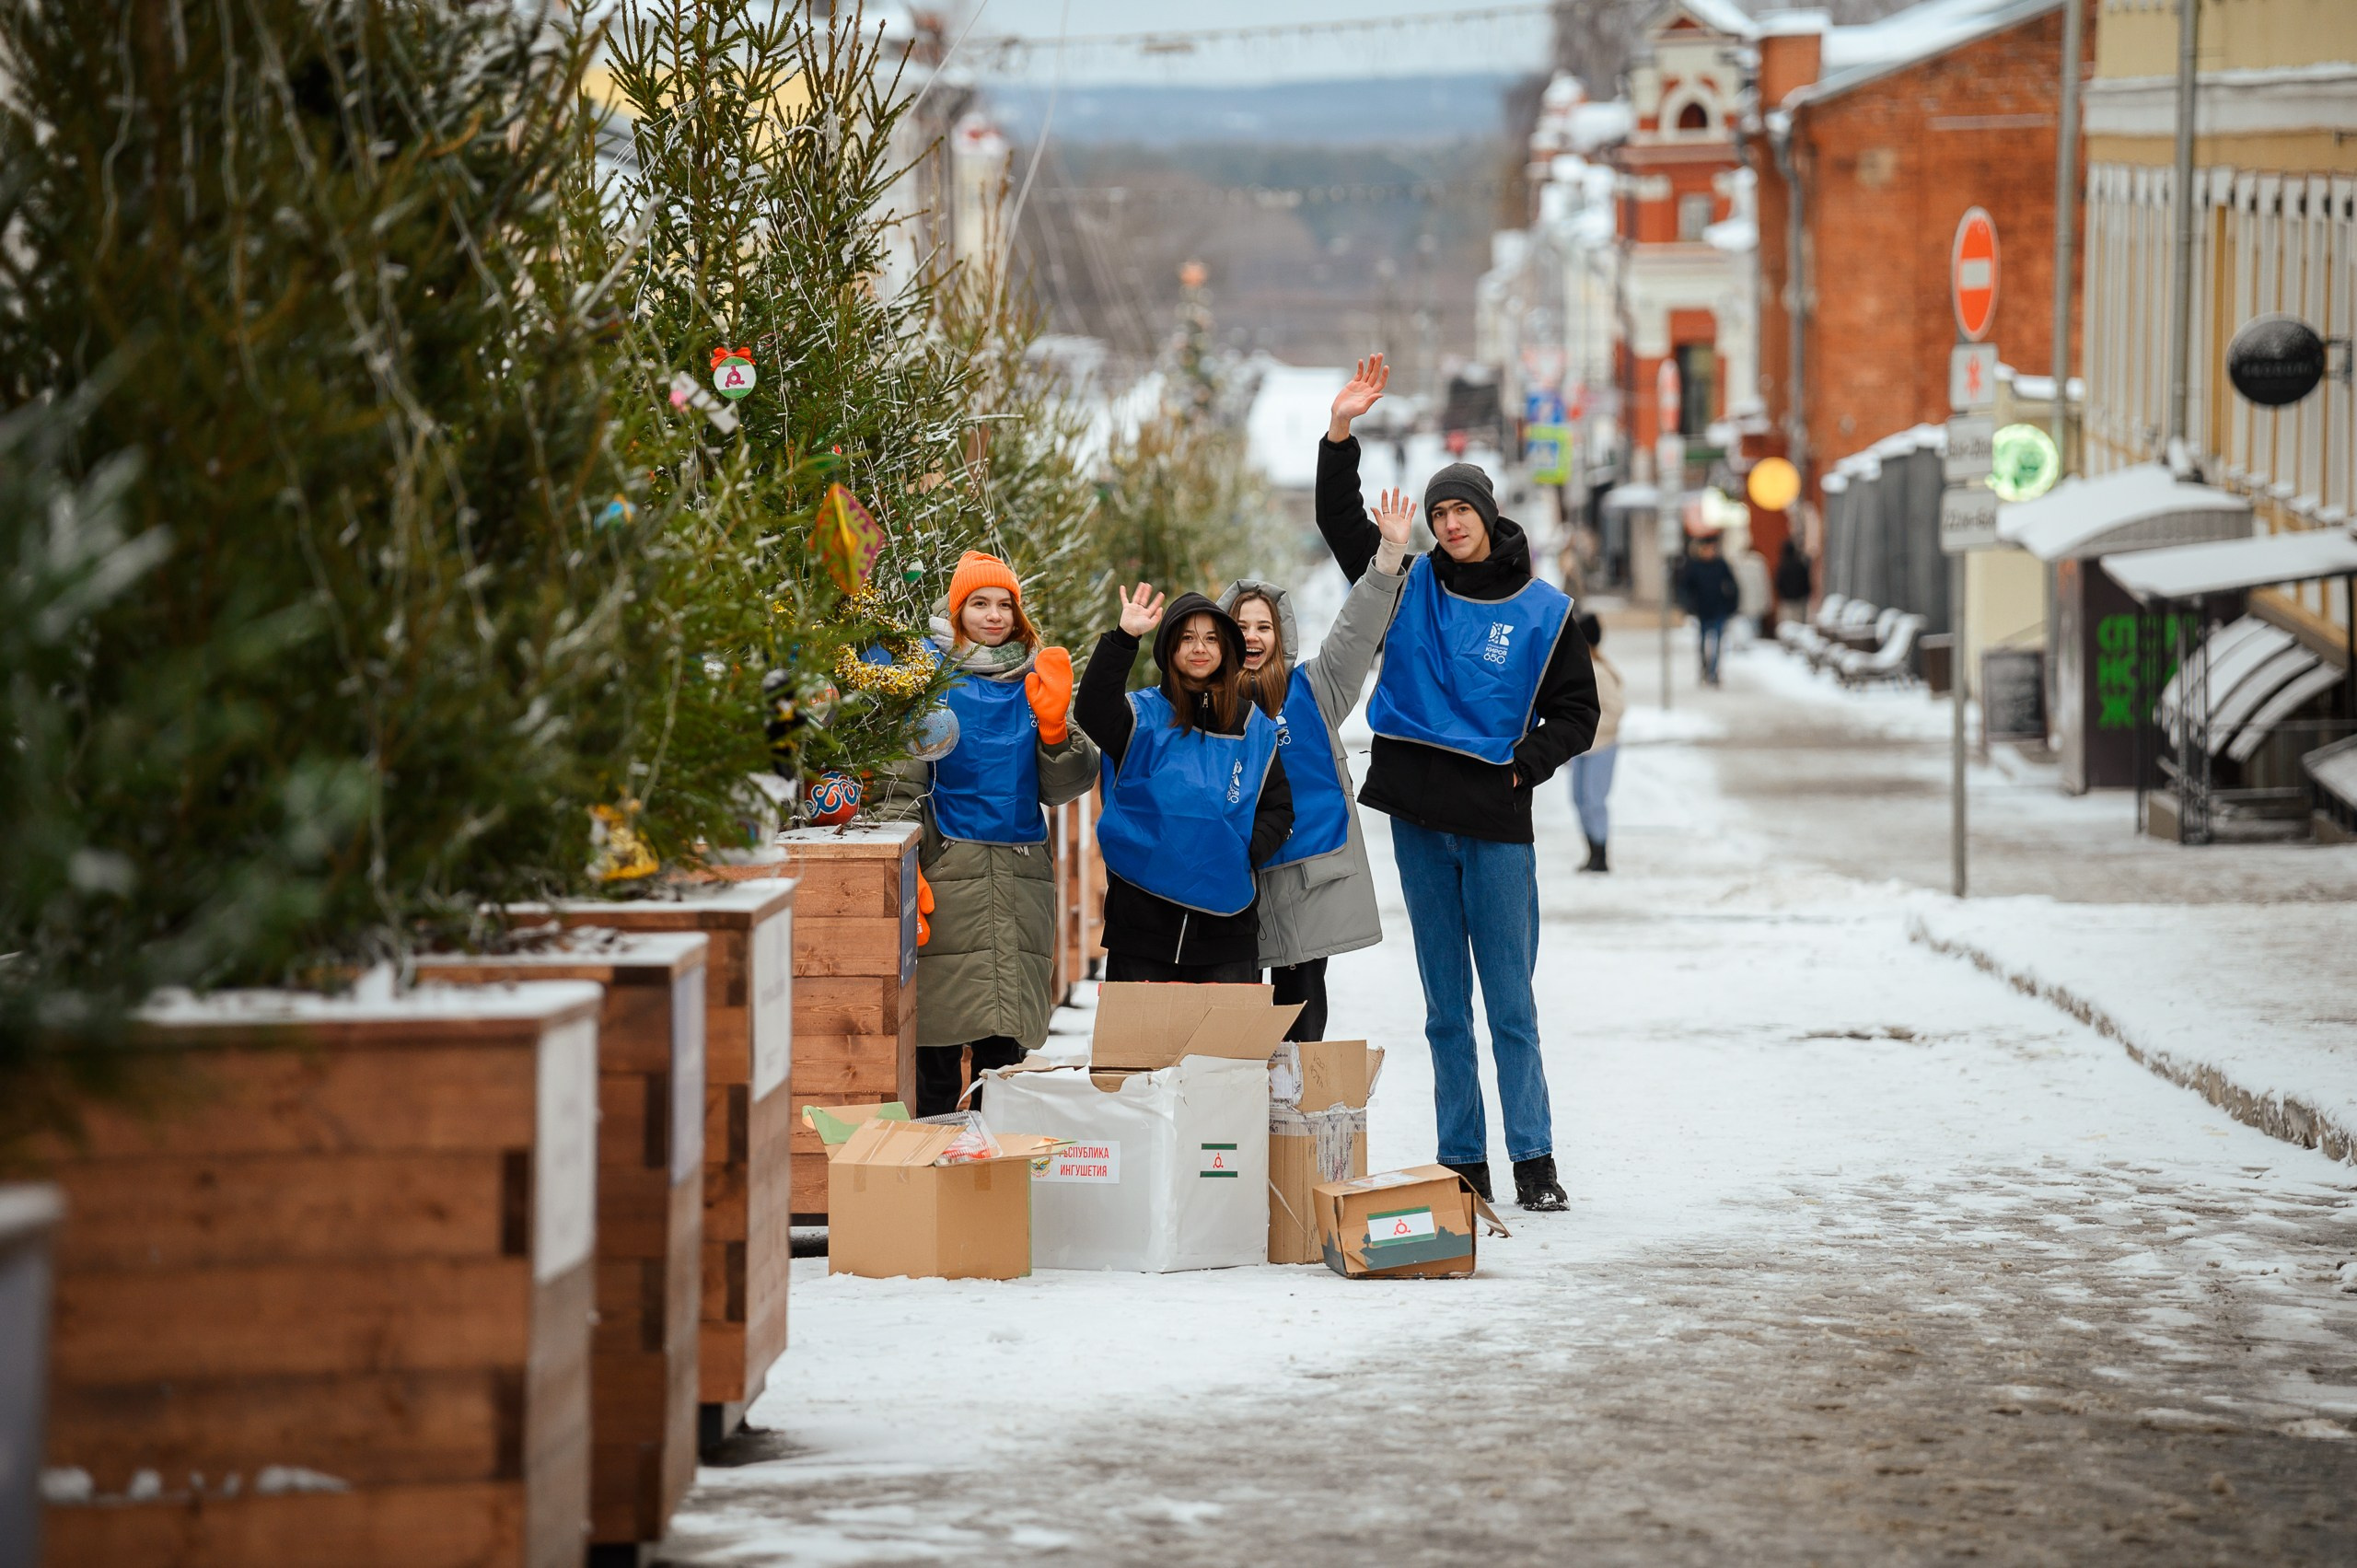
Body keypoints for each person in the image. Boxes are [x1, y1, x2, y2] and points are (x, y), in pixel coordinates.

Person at [1321, 354, 1600, 1213]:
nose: (1447, 524)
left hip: (1495, 816)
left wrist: (1524, 763)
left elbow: (1577, 712)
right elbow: (1340, 523)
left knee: (1510, 1001)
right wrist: (1341, 433)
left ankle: (1535, 1160)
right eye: (1438, 512)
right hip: (1418, 812)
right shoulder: (1402, 581)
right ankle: (1462, 1160)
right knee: (1446, 1004)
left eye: (1459, 511)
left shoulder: (1544, 610)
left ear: (1486, 515)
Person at [900, 552, 1101, 1119]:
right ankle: (936, 1178)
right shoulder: (927, 681)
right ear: (957, 610)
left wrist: (1057, 729)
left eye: (1004, 604)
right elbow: (902, 783)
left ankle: (993, 1186)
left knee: (1003, 1062)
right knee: (936, 1053)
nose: (994, 615)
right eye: (980, 603)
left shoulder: (1036, 676)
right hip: (950, 878)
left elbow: (1069, 785)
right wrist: (913, 864)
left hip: (1019, 879)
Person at [1218, 489, 1414, 1042]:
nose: (1251, 637)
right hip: (1236, 879)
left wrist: (1388, 559)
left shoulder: (1314, 687)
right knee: (1237, 1020)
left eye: (1263, 626)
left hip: (1311, 874)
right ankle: (1242, 1125)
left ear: (1280, 634)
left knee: (1304, 1009)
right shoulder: (1202, 704)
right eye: (1240, 626)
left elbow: (1357, 630)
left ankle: (1300, 1119)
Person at [1076, 583, 1294, 983]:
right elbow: (1090, 709)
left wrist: (1244, 850)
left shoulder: (1254, 728)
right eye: (1188, 638)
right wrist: (1124, 639)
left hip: (1226, 930)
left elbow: (1278, 809)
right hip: (1141, 925)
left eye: (1211, 638)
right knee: (1142, 1048)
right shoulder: (1139, 718)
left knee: (1222, 1048)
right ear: (1170, 649)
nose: (1200, 648)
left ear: (1226, 649)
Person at [1568, 612, 1624, 874]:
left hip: (1601, 746)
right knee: (1579, 798)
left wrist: (1588, 730)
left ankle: (1600, 852)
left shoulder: (1599, 671)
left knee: (1593, 799)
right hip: (1582, 747)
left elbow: (1615, 709)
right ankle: (1592, 850)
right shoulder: (1581, 667)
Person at [1678, 531, 1741, 686]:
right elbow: (1685, 587)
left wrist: (1731, 605)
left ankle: (1714, 671)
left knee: (1718, 642)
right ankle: (1704, 669)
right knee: (1703, 642)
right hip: (1702, 609)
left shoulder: (1721, 565)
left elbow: (1733, 586)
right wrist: (1689, 606)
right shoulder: (1695, 566)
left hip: (1719, 608)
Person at [1774, 534, 1814, 629]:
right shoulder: (1800, 565)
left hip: (1787, 600)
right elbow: (1806, 582)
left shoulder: (1783, 566)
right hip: (1799, 600)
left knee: (1786, 626)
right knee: (1798, 626)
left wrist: (1782, 594)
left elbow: (1778, 583)